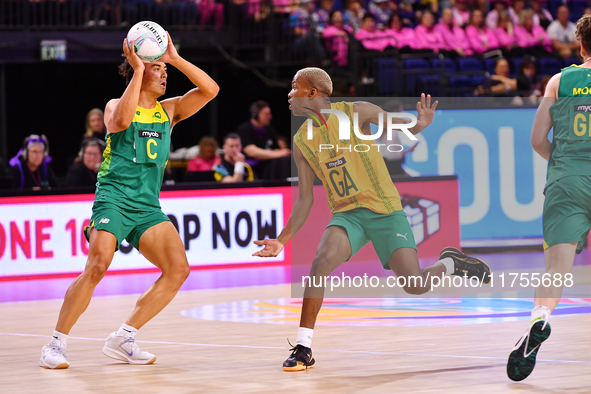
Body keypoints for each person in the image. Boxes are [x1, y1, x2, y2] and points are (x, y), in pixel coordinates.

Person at [253, 67, 492, 371]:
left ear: (312, 93)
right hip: (347, 216)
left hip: (384, 211)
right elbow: (305, 199)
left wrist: (420, 123)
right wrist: (282, 240)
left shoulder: (357, 111)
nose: (288, 95)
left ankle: (451, 263)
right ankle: (304, 347)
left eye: (294, 87)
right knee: (319, 264)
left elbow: (398, 128)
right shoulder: (302, 141)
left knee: (414, 284)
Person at [39, 33, 219, 369]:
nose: (165, 74)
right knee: (98, 266)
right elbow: (120, 122)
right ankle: (55, 344)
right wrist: (138, 69)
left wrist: (176, 58)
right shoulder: (115, 105)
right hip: (113, 198)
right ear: (138, 69)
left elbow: (210, 90)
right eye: (158, 68)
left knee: (178, 269)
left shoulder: (170, 110)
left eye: (166, 70)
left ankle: (124, 336)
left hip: (147, 206)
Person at [507, 13, 591, 382]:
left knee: (556, 269)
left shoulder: (559, 81)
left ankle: (539, 320)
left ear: (581, 45)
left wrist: (563, 161)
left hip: (566, 178)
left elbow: (537, 140)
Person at [235, 100, 291, 180]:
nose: (270, 116)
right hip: (251, 169)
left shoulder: (269, 130)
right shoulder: (244, 129)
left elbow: (277, 148)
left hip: (267, 168)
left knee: (283, 160)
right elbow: (251, 151)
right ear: (256, 115)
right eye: (266, 114)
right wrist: (276, 153)